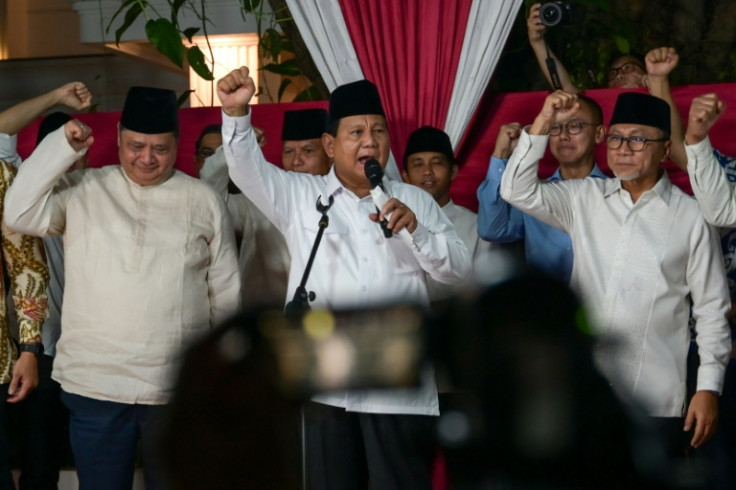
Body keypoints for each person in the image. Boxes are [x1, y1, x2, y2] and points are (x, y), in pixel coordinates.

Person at [217, 66, 470, 489]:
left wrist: (416, 231)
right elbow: (246, 170)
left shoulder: (415, 201)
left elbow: (458, 270)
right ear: (330, 145)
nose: (370, 141)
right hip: (324, 384)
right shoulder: (301, 196)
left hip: (396, 384)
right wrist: (237, 114)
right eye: (356, 133)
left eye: (378, 132)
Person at [3, 86, 241, 490]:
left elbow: (227, 295)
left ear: (177, 145)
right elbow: (20, 211)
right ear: (117, 137)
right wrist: (61, 147)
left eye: (160, 149)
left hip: (176, 387)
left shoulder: (201, 200)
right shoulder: (84, 189)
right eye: (136, 146)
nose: (147, 158)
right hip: (96, 385)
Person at [499, 90, 731, 459]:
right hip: (586, 396)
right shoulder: (582, 198)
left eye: (638, 139)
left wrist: (708, 388)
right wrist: (544, 119)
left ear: (665, 150)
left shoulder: (691, 217)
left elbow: (711, 310)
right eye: (618, 138)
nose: (623, 148)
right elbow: (515, 190)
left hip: (656, 399)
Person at [198, 108, 332, 308]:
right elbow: (210, 196)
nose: (296, 161)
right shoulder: (258, 202)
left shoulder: (345, 204)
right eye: (288, 151)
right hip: (263, 319)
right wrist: (236, 146)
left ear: (330, 153)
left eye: (308, 151)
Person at [477, 94, 607, 284]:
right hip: (544, 304)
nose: (563, 135)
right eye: (555, 127)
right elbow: (492, 230)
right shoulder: (531, 194)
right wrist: (502, 154)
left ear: (599, 133)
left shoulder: (616, 192)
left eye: (574, 126)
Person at [402, 125, 494, 299]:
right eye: (418, 164)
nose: (427, 171)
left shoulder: (476, 227)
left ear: (453, 171)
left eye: (436, 163)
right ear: (405, 175)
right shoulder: (392, 224)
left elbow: (485, 290)